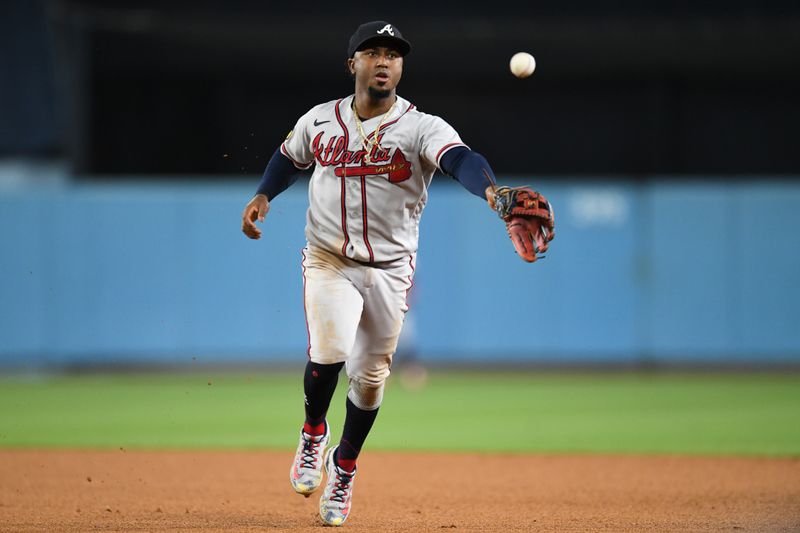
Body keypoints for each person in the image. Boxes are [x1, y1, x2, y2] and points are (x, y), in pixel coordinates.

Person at [241, 21, 504, 527]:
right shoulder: (320, 120)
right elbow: (287, 156)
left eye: (394, 54)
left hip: (389, 269)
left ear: (401, 67)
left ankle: (344, 468)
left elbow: (461, 160)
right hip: (329, 258)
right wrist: (262, 195)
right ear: (353, 65)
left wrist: (494, 193)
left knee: (368, 381)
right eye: (373, 52)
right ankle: (313, 430)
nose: (384, 60)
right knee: (331, 350)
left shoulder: (422, 126)